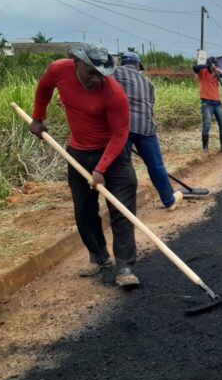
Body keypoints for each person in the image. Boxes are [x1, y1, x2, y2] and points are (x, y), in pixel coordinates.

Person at [29, 43, 140, 288]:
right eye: (91, 72)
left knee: (121, 209)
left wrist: (101, 169)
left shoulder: (114, 93)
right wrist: (38, 117)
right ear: (76, 62)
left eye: (101, 74)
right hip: (78, 152)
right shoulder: (59, 70)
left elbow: (120, 133)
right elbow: (44, 88)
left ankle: (125, 267)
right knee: (84, 210)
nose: (96, 79)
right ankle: (99, 257)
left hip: (112, 154)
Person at [113, 52, 184, 212]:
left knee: (123, 167)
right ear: (138, 66)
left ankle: (123, 207)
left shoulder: (114, 73)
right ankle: (169, 200)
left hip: (122, 127)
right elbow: (150, 106)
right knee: (156, 165)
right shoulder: (147, 82)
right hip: (146, 127)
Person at [192, 56, 222, 154]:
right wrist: (208, 66)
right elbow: (194, 68)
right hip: (206, 102)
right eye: (213, 66)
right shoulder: (202, 72)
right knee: (206, 124)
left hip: (217, 103)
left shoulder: (217, 71)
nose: (215, 68)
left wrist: (218, 73)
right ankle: (205, 149)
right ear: (209, 65)